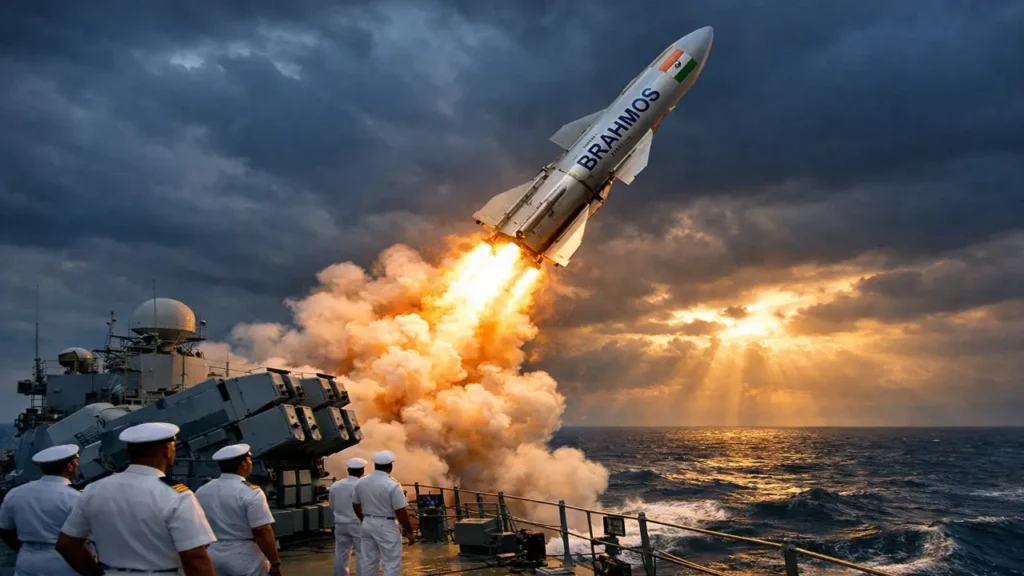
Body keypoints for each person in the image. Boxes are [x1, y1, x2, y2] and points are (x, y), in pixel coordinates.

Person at [56, 422, 218, 576]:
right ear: (166, 450)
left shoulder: (95, 489)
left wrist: (94, 573)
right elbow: (195, 556)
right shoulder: (177, 495)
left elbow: (67, 544)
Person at [194, 443, 282, 576]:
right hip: (245, 557)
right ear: (243, 465)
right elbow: (262, 530)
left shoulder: (202, 490)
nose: (251, 463)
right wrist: (275, 563)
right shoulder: (252, 492)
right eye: (249, 460)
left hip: (213, 553)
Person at [0, 444, 82, 575]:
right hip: (64, 561)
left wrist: (25, 549)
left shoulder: (15, 493)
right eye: (76, 461)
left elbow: (5, 531)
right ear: (70, 466)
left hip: (27, 559)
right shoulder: (75, 498)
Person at [352, 451, 414, 576]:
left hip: (367, 523)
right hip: (386, 526)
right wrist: (409, 531)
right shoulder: (392, 485)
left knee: (369, 562)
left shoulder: (361, 482)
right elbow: (401, 511)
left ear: (375, 465)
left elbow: (355, 504)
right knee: (391, 563)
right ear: (390, 466)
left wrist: (364, 519)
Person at [328, 457, 366, 576]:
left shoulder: (335, 485)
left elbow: (332, 505)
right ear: (362, 471)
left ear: (348, 470)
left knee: (341, 554)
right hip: (358, 524)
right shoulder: (362, 485)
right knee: (362, 554)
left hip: (340, 524)